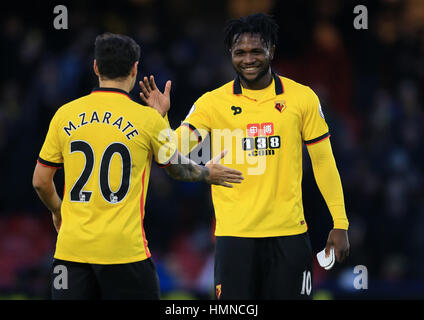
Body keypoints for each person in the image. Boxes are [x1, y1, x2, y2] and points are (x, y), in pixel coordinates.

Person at [139, 13, 350, 299]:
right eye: (240, 52)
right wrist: (160, 119)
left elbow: (323, 162)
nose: (247, 59)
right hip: (234, 238)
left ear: (271, 51)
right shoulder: (212, 103)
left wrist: (340, 222)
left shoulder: (302, 98)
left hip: (289, 236)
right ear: (230, 54)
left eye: (255, 51)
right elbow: (173, 150)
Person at [32, 32, 243, 300]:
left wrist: (57, 211)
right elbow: (176, 167)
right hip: (125, 254)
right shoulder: (147, 119)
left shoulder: (65, 114)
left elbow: (40, 181)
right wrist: (206, 172)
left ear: (96, 67)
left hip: (70, 256)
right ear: (134, 69)